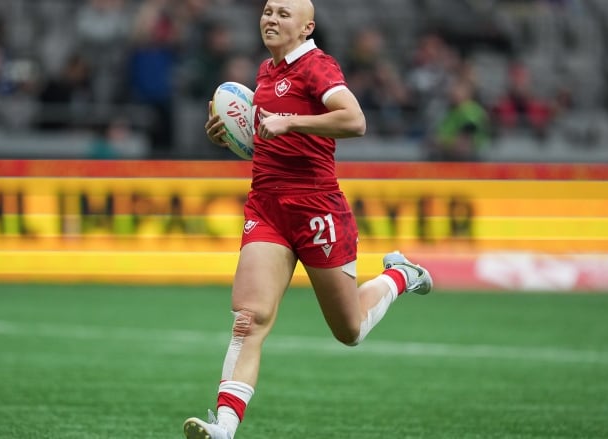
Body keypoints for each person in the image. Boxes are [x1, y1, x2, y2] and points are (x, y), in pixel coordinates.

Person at [182, 1, 433, 438]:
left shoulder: (317, 66)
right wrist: (229, 135)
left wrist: (290, 122)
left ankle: (399, 276)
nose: (271, 19)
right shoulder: (266, 71)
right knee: (249, 318)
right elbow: (268, 136)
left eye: (283, 14)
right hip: (267, 208)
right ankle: (223, 426)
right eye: (267, 11)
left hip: (317, 210)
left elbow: (355, 120)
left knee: (349, 330)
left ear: (307, 27)